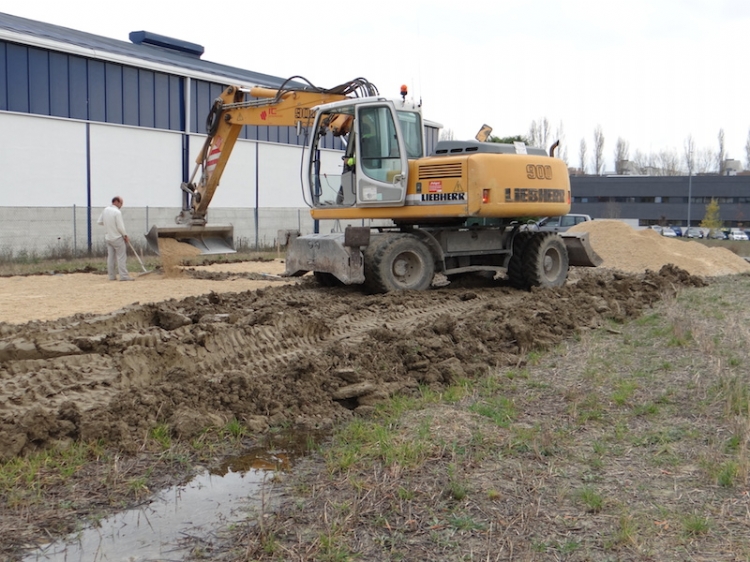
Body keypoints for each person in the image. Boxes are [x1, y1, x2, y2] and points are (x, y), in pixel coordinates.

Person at [97, 196, 133, 281]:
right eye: (121, 203)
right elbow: (120, 227)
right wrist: (125, 235)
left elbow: (99, 222)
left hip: (108, 237)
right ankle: (124, 276)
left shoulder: (105, 210)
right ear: (116, 202)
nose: (121, 205)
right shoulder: (117, 212)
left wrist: (108, 225)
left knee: (111, 258)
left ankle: (111, 276)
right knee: (121, 257)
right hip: (117, 237)